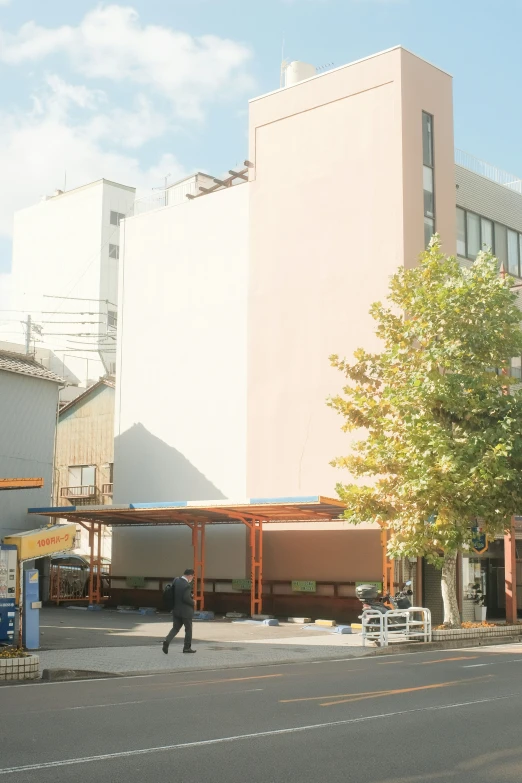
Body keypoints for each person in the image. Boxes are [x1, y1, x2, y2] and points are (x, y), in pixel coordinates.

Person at [162, 569, 196, 654]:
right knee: (188, 629)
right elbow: (185, 598)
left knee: (175, 628)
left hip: (176, 610)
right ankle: (187, 648)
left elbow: (177, 593)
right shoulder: (187, 585)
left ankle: (167, 640)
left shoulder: (176, 580)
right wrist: (193, 602)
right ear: (190, 575)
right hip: (186, 611)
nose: (192, 578)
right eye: (192, 577)